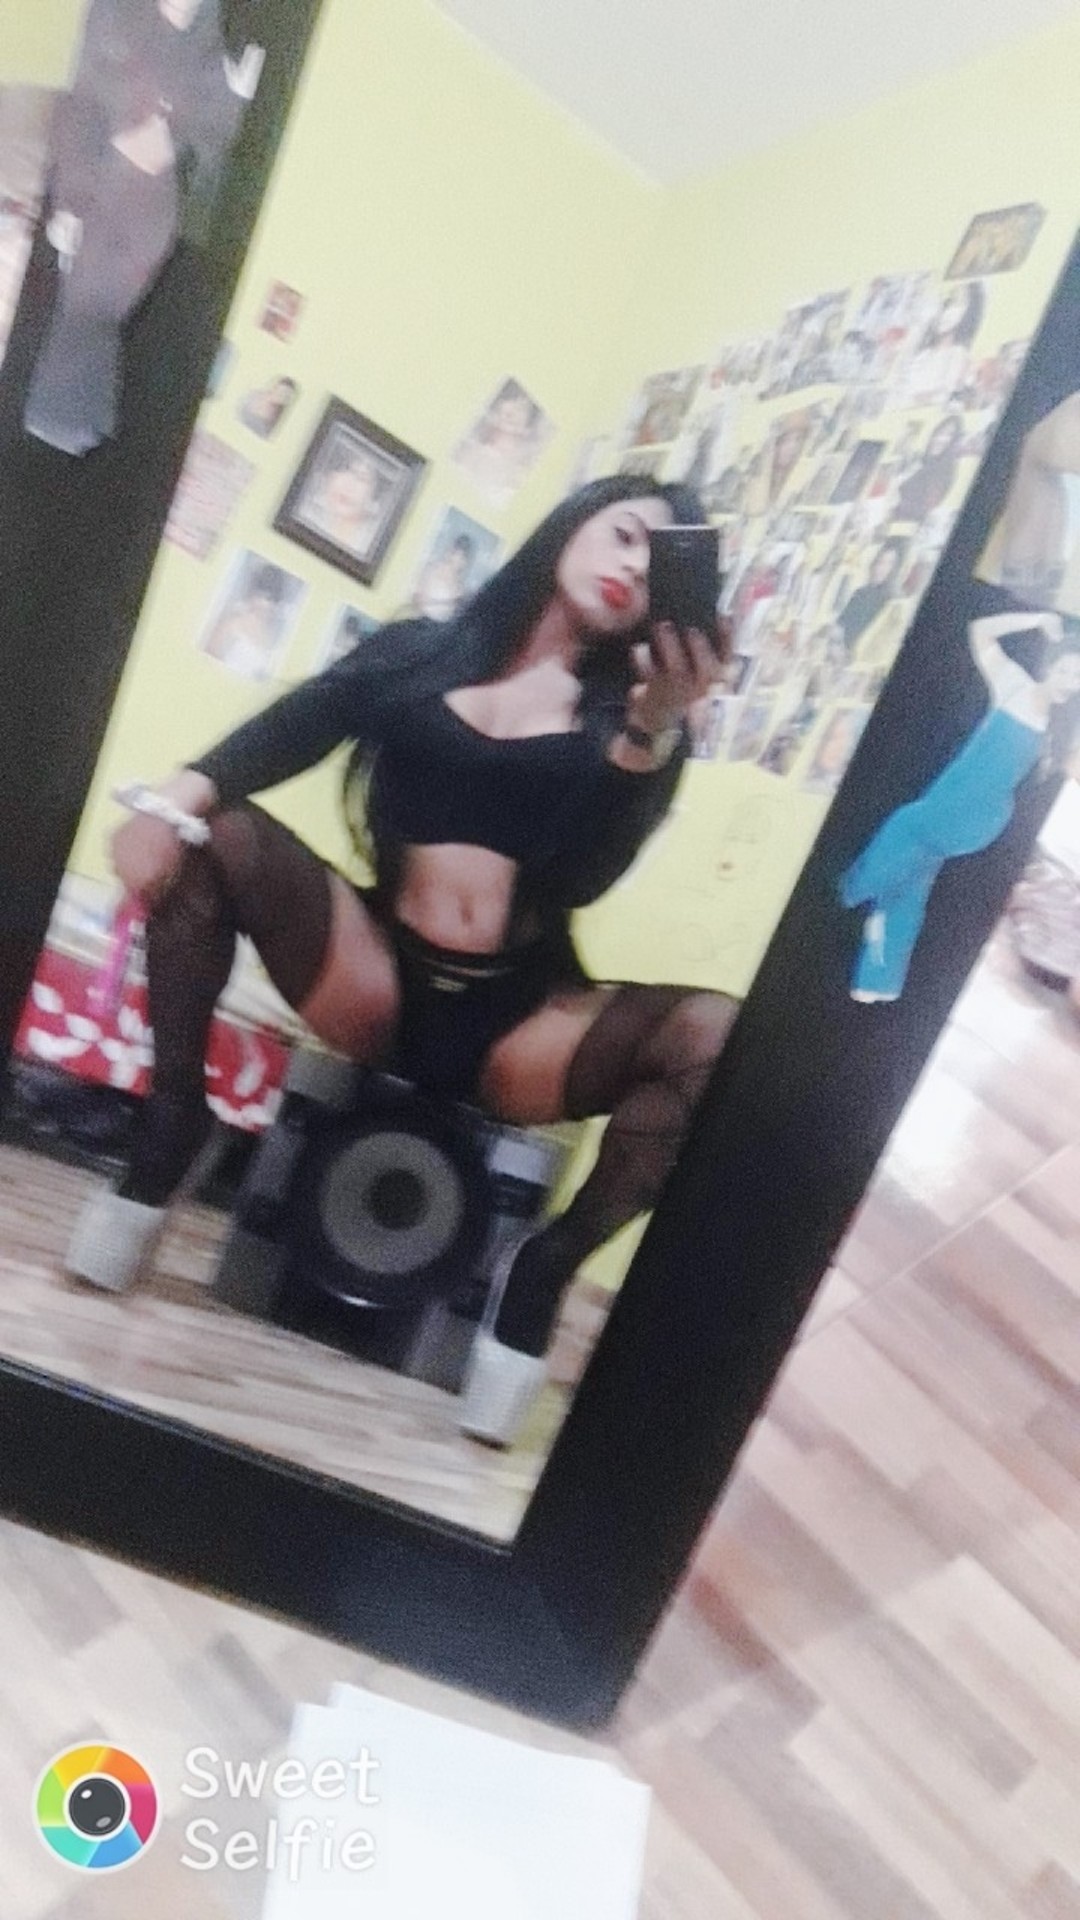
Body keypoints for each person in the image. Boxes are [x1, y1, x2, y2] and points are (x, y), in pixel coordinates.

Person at [67, 476, 736, 1446]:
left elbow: (585, 878)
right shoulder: (417, 652)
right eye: (624, 533)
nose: (633, 564)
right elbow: (293, 728)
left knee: (718, 1037)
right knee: (215, 833)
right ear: (568, 528)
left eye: (658, 558)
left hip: (520, 1027)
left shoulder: (636, 723)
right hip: (374, 978)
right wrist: (170, 804)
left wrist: (649, 732)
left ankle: (544, 1270)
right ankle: (172, 1124)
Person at [24, 0, 262, 454]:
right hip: (123, 220)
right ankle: (64, 414)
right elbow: (86, 107)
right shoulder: (116, 21)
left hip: (117, 223)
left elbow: (205, 148)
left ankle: (64, 413)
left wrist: (228, 103)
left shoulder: (203, 52)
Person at [839, 610, 1080, 1002]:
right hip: (964, 810)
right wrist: (1036, 618)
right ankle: (877, 980)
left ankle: (849, 893)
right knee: (912, 884)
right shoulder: (1017, 685)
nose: (1070, 681)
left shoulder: (1062, 725)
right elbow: (979, 630)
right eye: (1066, 670)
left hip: (965, 813)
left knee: (902, 829)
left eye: (1078, 677)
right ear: (1050, 666)